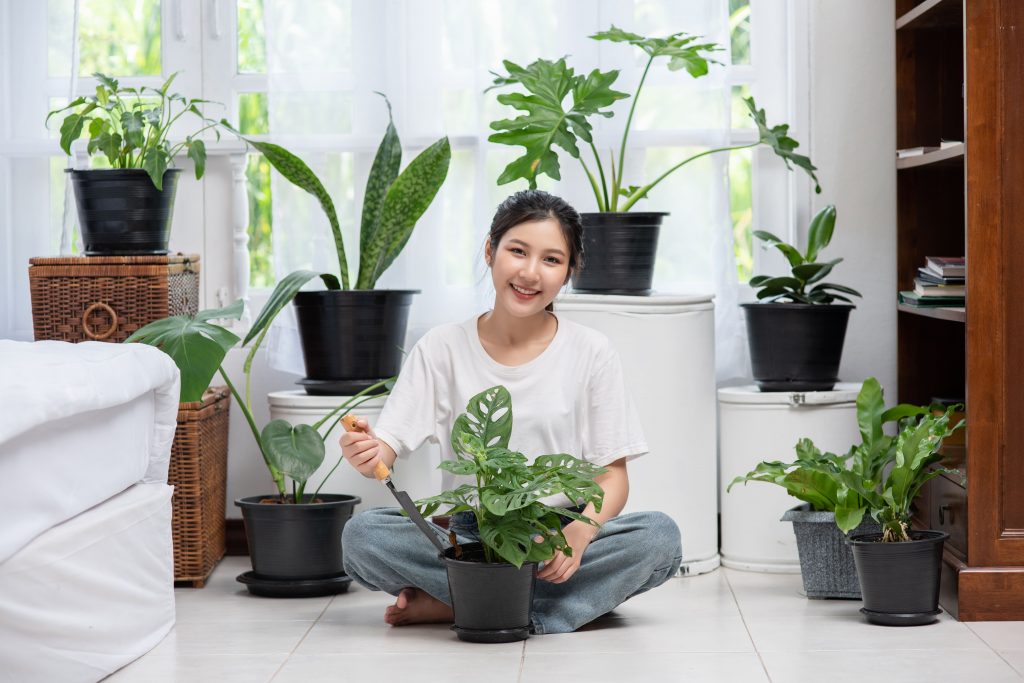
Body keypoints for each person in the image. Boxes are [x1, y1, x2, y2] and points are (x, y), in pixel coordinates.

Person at [340, 189, 682, 635]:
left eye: (552, 260)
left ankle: (466, 603)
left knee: (659, 538)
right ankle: (539, 607)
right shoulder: (441, 347)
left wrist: (582, 535)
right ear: (490, 250)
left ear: (569, 272)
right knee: (362, 537)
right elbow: (386, 451)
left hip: (556, 535)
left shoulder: (592, 352)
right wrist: (366, 450)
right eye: (517, 251)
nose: (530, 272)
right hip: (468, 536)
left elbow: (612, 476)